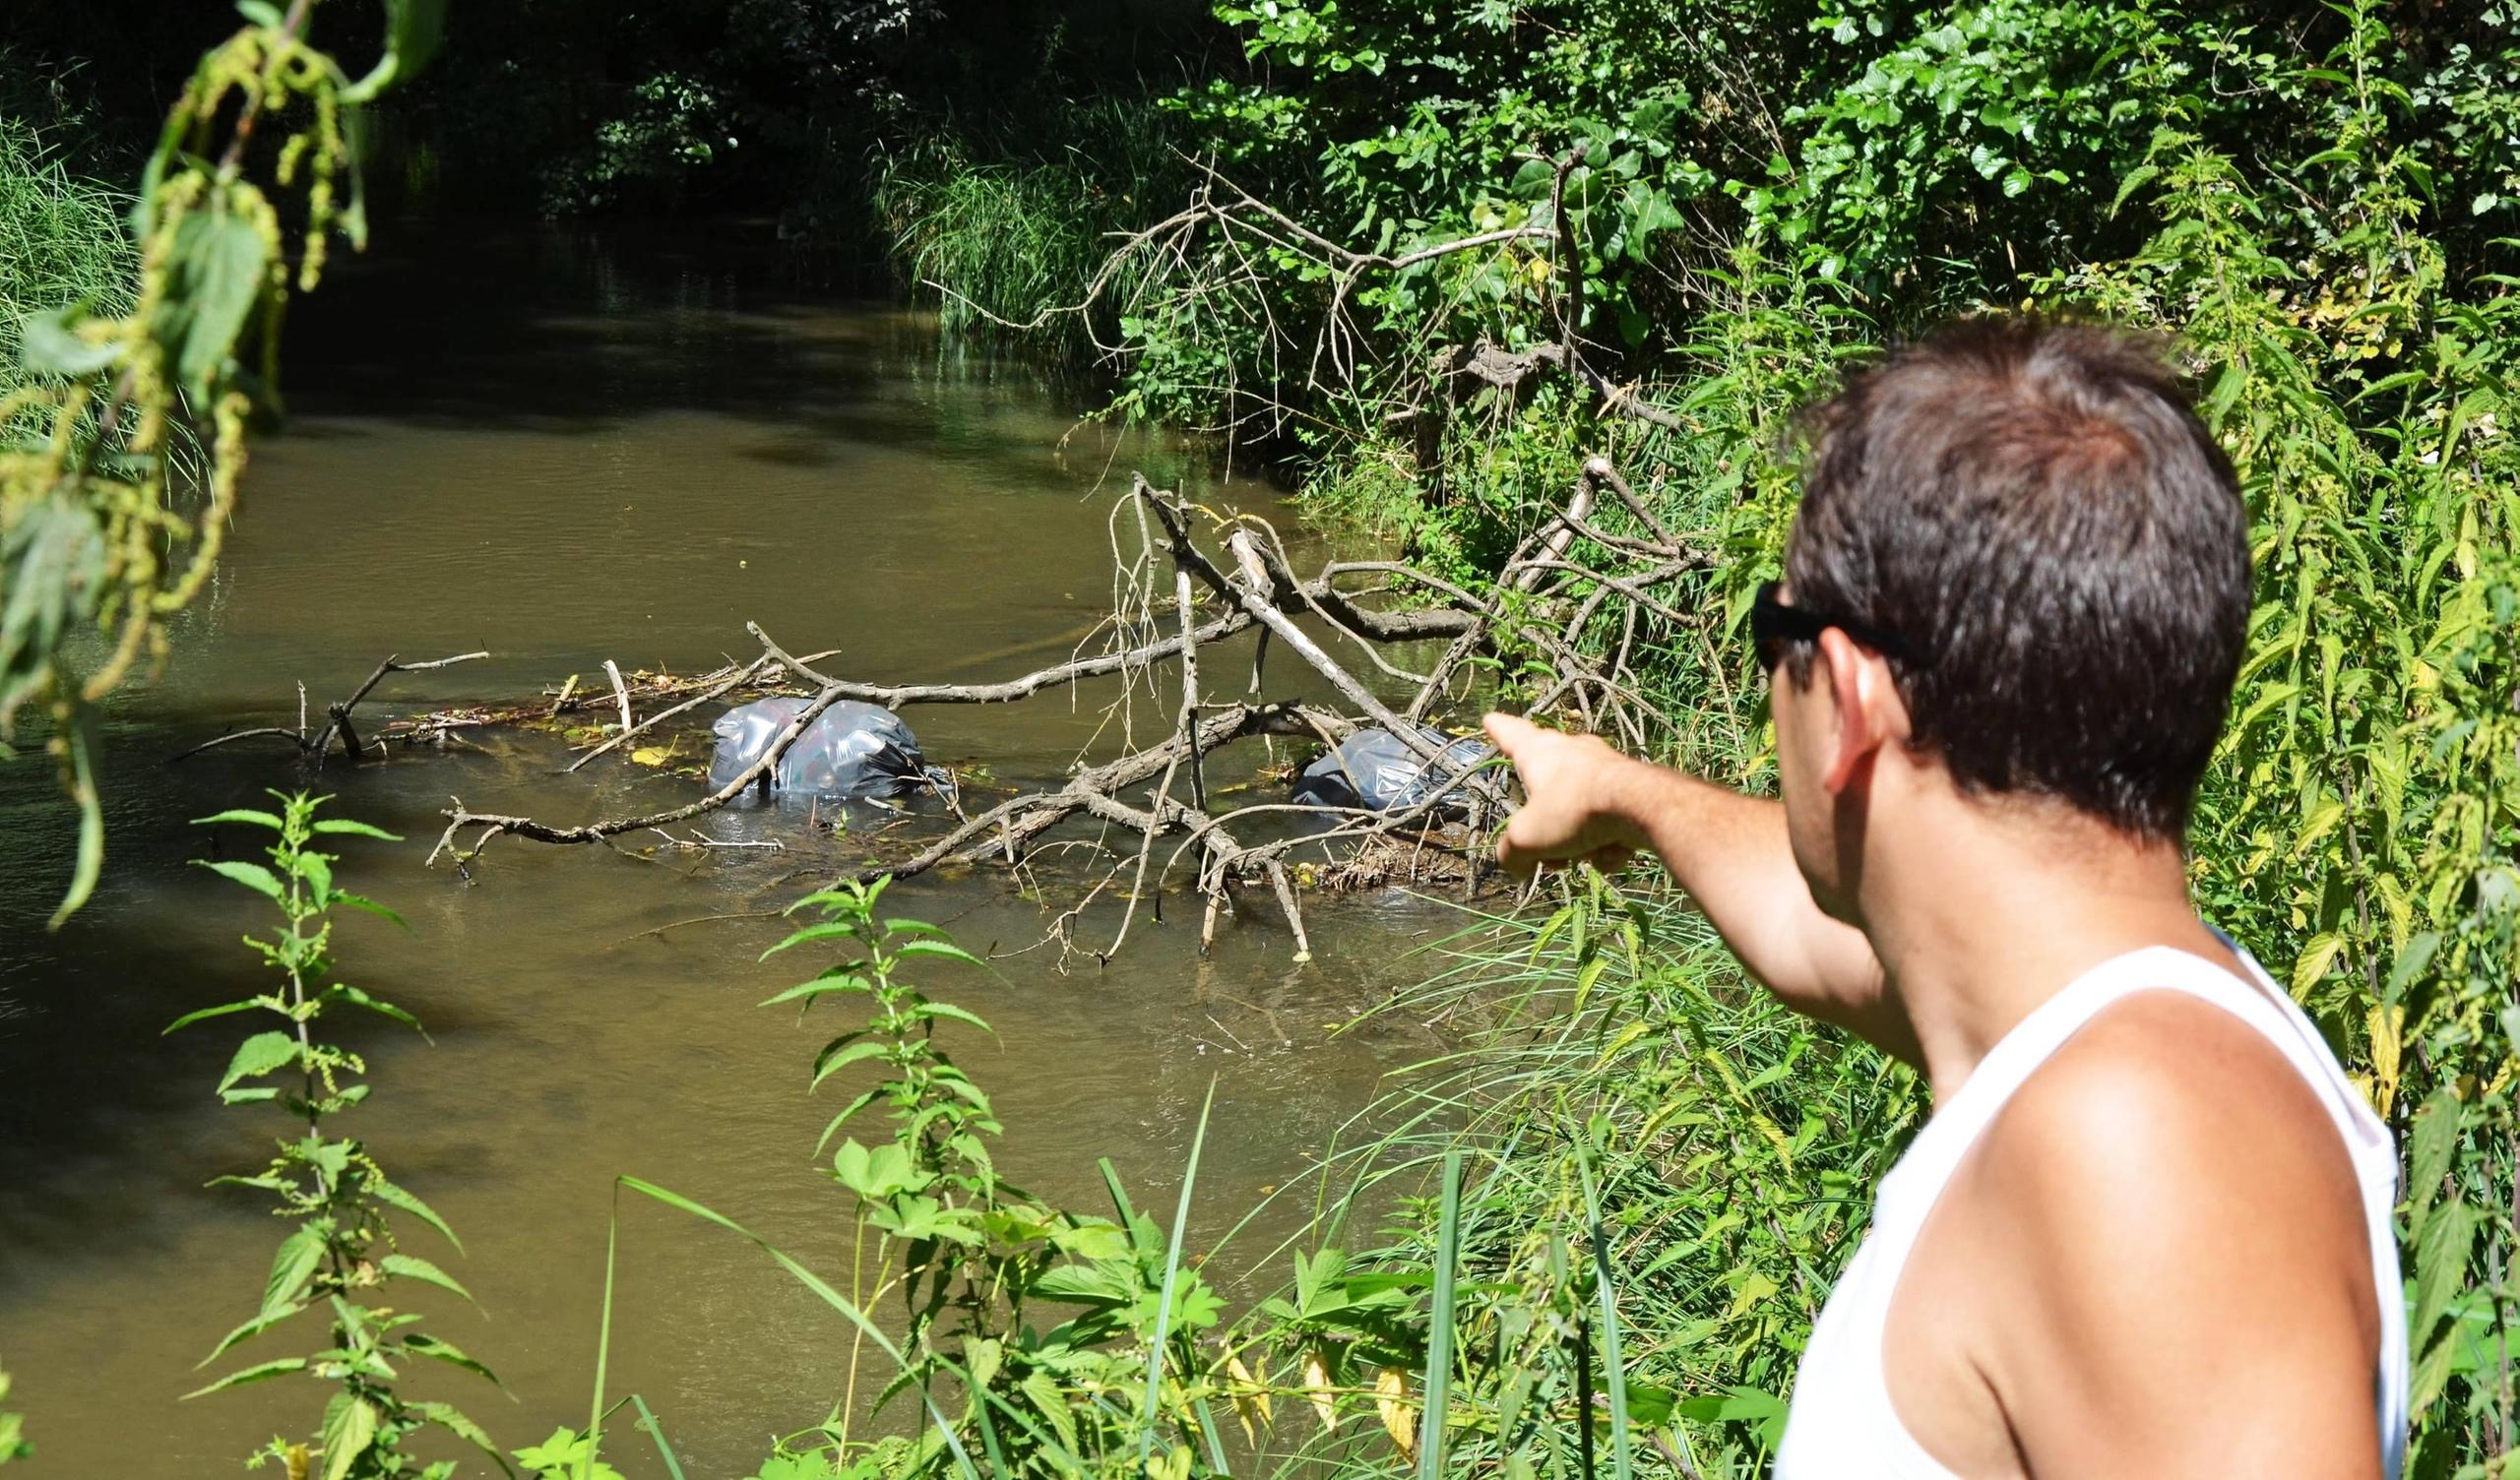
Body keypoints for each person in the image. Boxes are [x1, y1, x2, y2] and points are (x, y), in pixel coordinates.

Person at [1482, 318, 2408, 1480]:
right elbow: (1809, 930)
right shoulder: (2083, 1024)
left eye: (1775, 635)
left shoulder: (2137, 1143)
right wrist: (1625, 793)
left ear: (1854, 697)